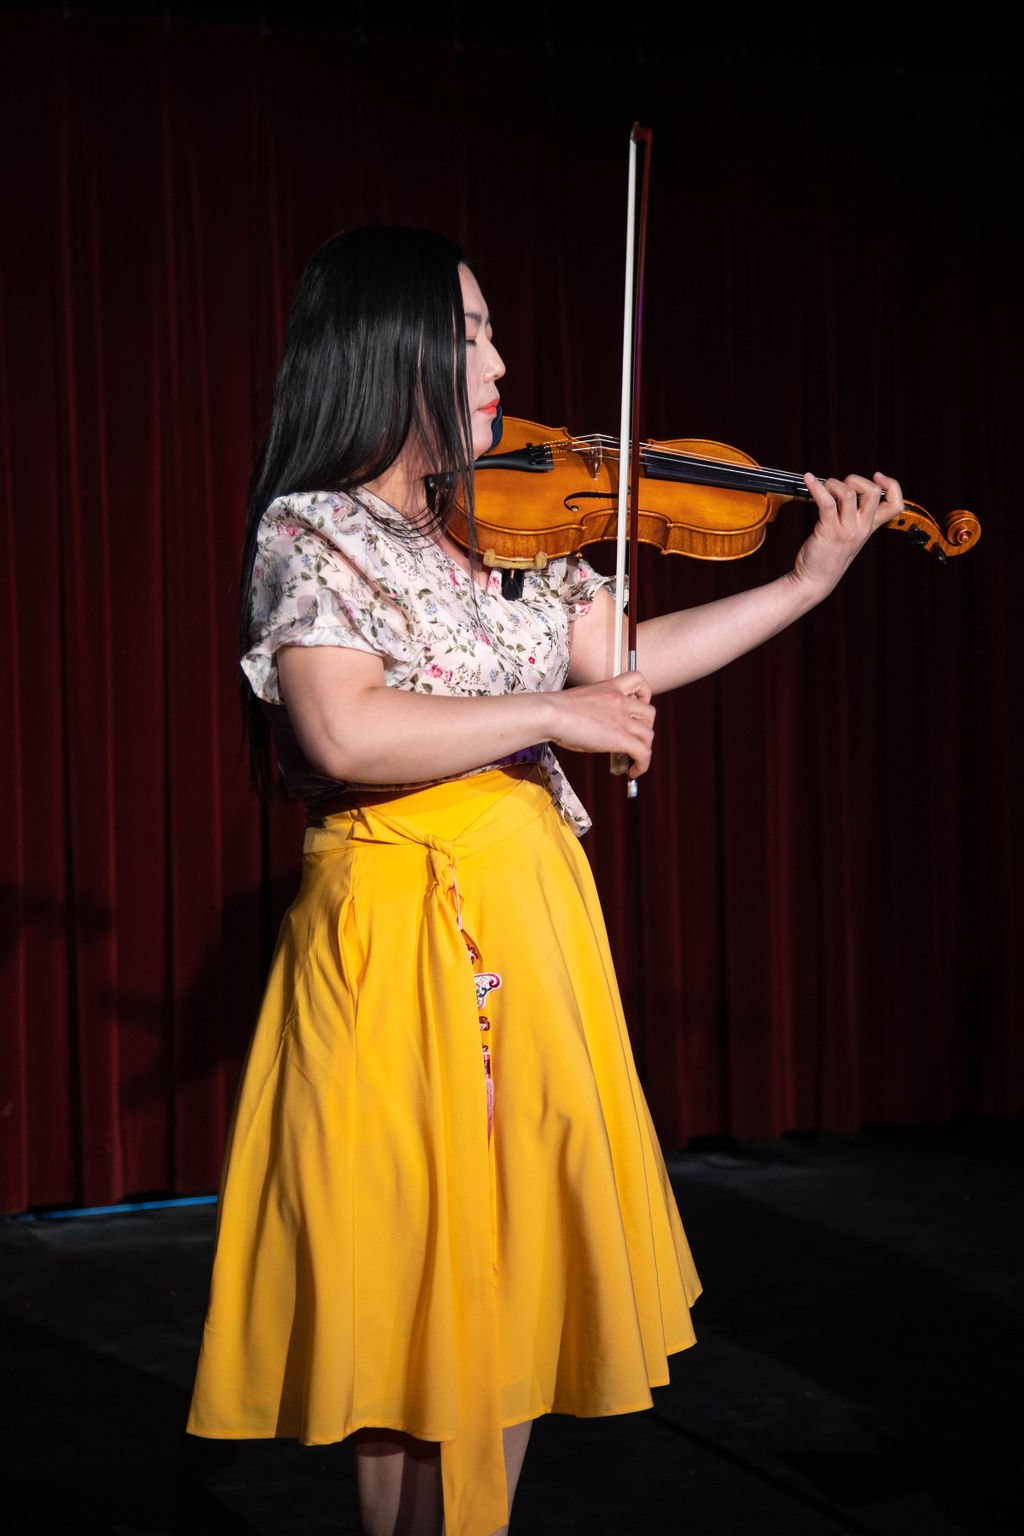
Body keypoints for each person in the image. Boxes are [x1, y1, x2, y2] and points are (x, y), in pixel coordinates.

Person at [187, 226, 902, 1536]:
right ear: (390, 347)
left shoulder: (511, 522)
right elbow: (342, 731)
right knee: (414, 1276)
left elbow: (623, 659)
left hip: (530, 907)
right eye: (469, 334)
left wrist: (806, 583)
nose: (501, 364)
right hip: (395, 922)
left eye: (492, 332)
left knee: (516, 1266)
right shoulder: (315, 531)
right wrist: (555, 715)